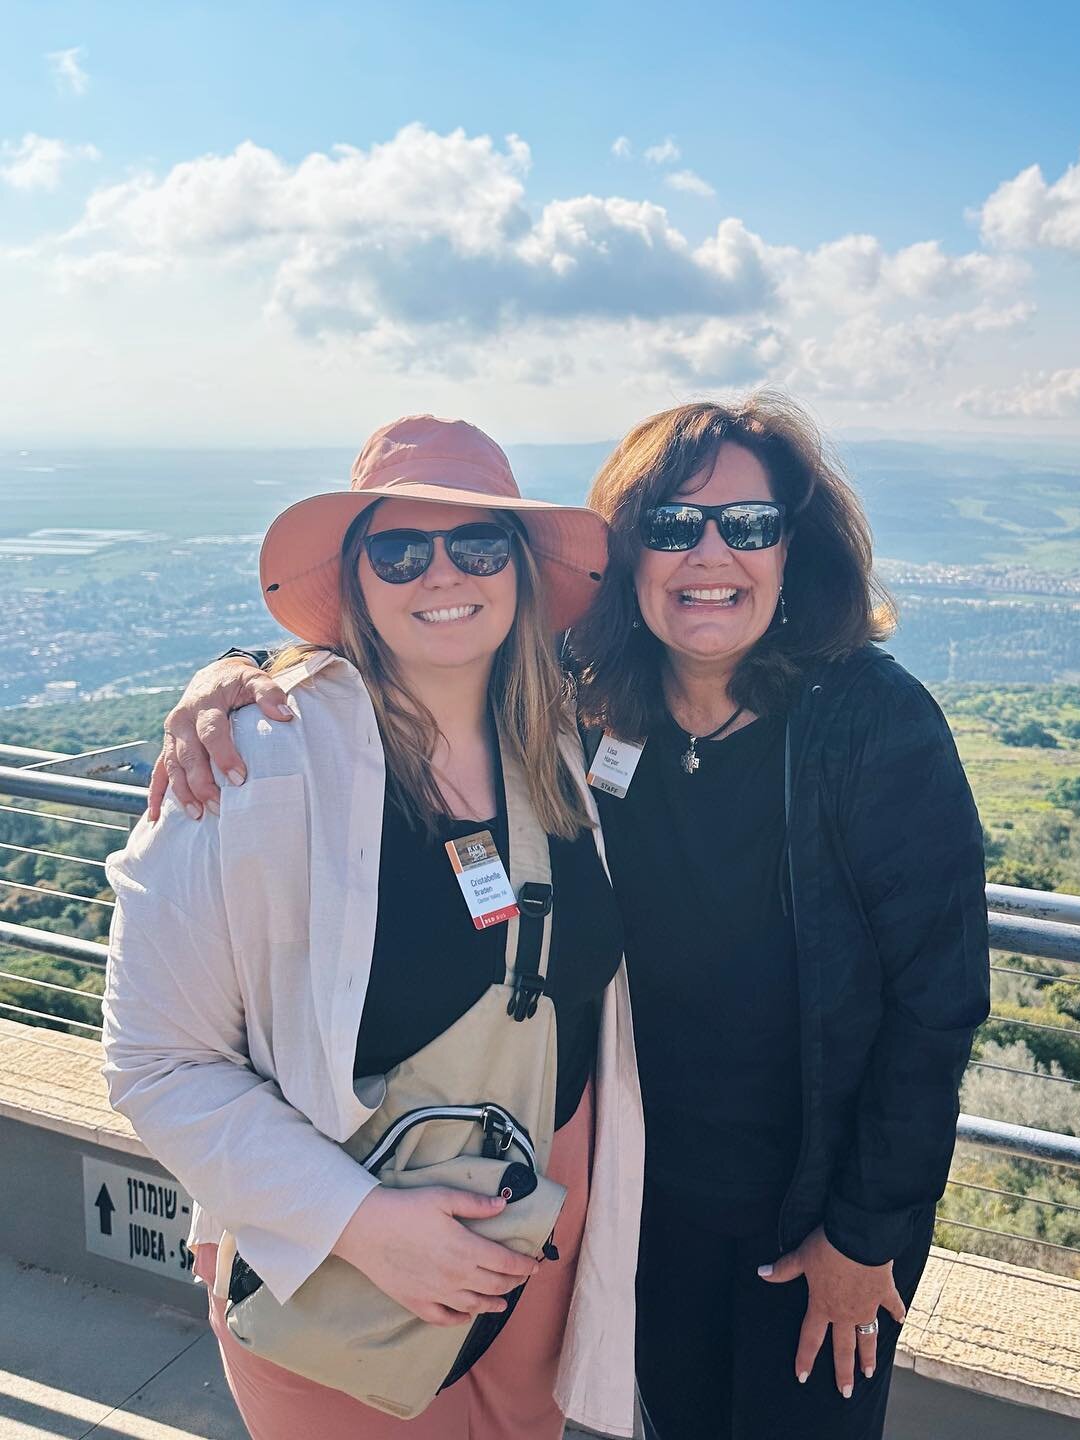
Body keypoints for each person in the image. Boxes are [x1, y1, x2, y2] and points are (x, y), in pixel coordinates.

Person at [151, 392, 990, 1440]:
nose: (711, 553)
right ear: (629, 559)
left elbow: (937, 1005)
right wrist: (229, 679)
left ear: (795, 548)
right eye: (673, 527)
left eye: (750, 525)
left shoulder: (872, 725)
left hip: (806, 1213)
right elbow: (398, 664)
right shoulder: (583, 700)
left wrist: (867, 1237)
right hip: (625, 1209)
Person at [104, 415, 643, 1440]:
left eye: (479, 544)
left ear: (524, 571)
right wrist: (360, 1226)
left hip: (541, 1247)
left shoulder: (559, 747)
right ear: (356, 581)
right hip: (337, 1268)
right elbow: (153, 1062)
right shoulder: (255, 763)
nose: (443, 572)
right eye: (401, 549)